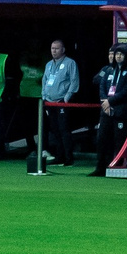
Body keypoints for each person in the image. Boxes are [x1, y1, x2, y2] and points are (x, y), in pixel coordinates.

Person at [90, 38, 127, 176]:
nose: (117, 56)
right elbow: (101, 85)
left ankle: (116, 168)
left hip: (121, 111)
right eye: (116, 54)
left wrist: (110, 102)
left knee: (119, 140)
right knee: (102, 139)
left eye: (121, 54)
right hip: (106, 111)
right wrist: (104, 102)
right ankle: (100, 167)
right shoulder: (108, 70)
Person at [41, 39, 79, 170]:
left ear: (63, 50)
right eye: (52, 48)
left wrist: (67, 98)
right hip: (50, 102)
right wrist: (44, 97)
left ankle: (69, 158)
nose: (54, 51)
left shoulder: (70, 63)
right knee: (55, 130)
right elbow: (44, 81)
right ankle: (59, 157)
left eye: (57, 48)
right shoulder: (48, 65)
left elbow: (74, 81)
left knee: (64, 130)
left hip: (62, 102)